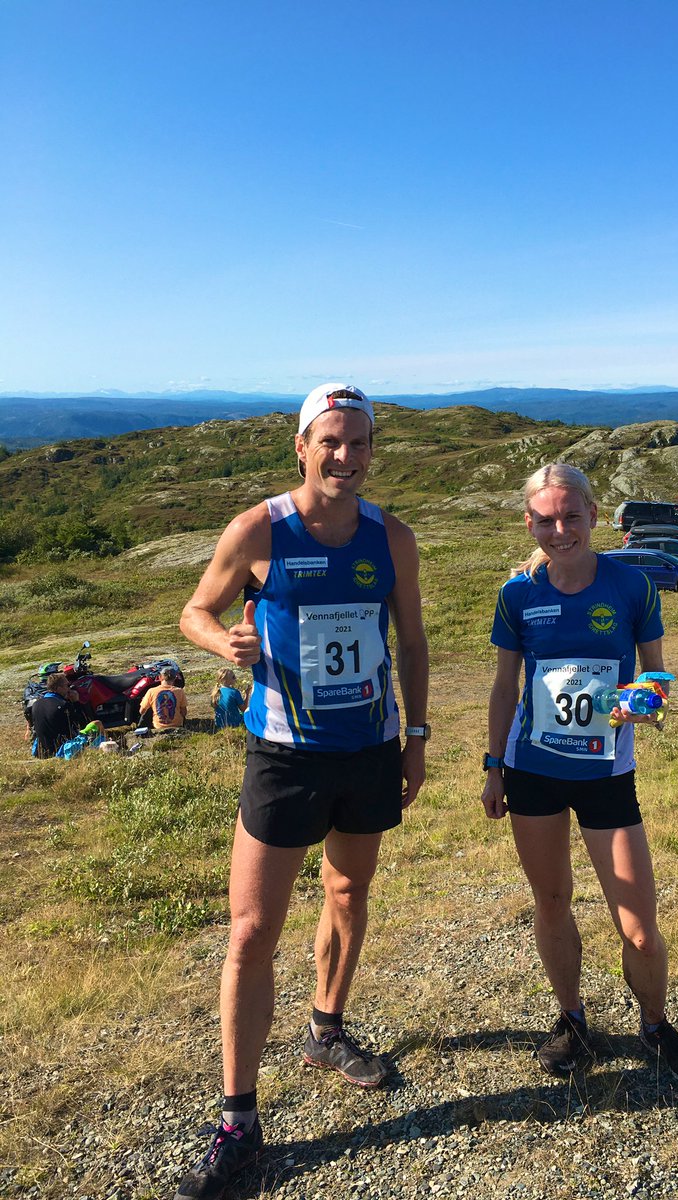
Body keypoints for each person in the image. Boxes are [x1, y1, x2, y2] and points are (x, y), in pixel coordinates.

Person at [175, 383, 429, 1200]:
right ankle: (238, 1123)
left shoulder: (392, 537)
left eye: (359, 443)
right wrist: (226, 643)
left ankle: (326, 1030)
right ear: (302, 445)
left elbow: (414, 641)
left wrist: (415, 737)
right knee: (251, 932)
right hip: (283, 755)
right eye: (331, 441)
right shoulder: (260, 529)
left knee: (349, 893)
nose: (346, 457)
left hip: (366, 749)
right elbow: (193, 611)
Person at [481, 463, 678, 1087]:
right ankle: (572, 1019)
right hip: (533, 772)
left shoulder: (632, 586)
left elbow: (658, 684)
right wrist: (493, 766)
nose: (561, 531)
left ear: (595, 514)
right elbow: (506, 689)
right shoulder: (517, 593)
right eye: (547, 520)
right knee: (552, 902)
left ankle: (656, 1025)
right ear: (530, 523)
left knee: (637, 926)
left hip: (608, 774)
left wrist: (635, 703)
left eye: (572, 517)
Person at [29, 673, 82, 757]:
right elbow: (81, 724)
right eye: (67, 685)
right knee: (96, 725)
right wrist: (76, 703)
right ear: (58, 688)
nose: (69, 688)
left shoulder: (36, 704)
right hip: (63, 749)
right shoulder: (63, 705)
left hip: (43, 751)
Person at [139, 666, 188, 731]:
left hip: (158, 726)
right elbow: (184, 712)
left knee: (149, 707)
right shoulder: (180, 691)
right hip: (177, 725)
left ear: (160, 677)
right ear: (174, 678)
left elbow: (142, 711)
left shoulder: (151, 691)